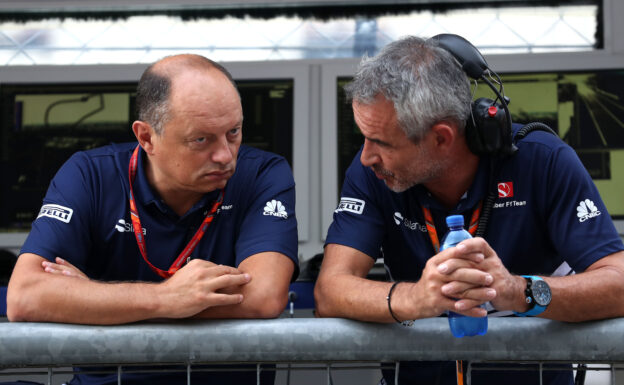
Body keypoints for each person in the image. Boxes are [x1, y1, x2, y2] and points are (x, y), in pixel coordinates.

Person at [314, 35, 624, 385]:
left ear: (441, 138)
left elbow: (619, 282)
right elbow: (330, 290)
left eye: (382, 142)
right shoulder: (371, 171)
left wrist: (517, 290)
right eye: (364, 138)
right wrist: (414, 297)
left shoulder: (543, 160)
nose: (366, 156)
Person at [6, 54, 298, 384]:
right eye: (201, 139)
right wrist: (166, 298)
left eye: (233, 131)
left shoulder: (262, 173)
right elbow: (25, 296)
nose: (226, 155)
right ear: (146, 138)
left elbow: (262, 297)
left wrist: (92, 298)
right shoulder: (89, 174)